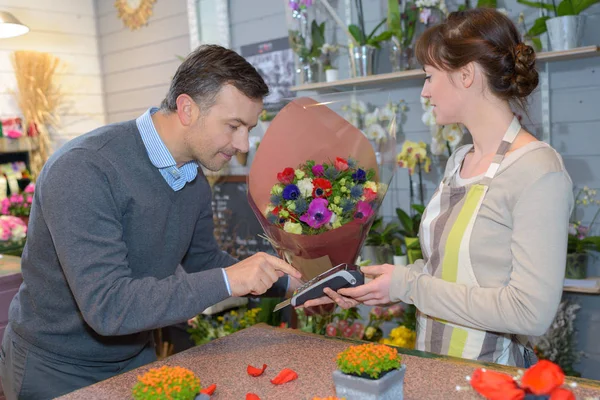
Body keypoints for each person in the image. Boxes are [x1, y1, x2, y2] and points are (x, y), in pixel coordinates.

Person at [0, 44, 302, 399]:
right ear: (187, 108)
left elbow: (202, 261)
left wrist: (295, 285)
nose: (244, 144)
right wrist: (228, 280)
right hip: (55, 366)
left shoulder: (193, 178)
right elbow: (109, 307)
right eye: (234, 126)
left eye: (248, 128)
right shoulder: (85, 168)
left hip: (136, 355)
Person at [304, 8, 573, 367]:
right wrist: (386, 281)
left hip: (491, 379)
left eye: (430, 76)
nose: (425, 91)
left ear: (466, 75)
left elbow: (529, 312)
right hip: (436, 367)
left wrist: (410, 287)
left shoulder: (538, 170)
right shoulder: (460, 159)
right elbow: (443, 272)